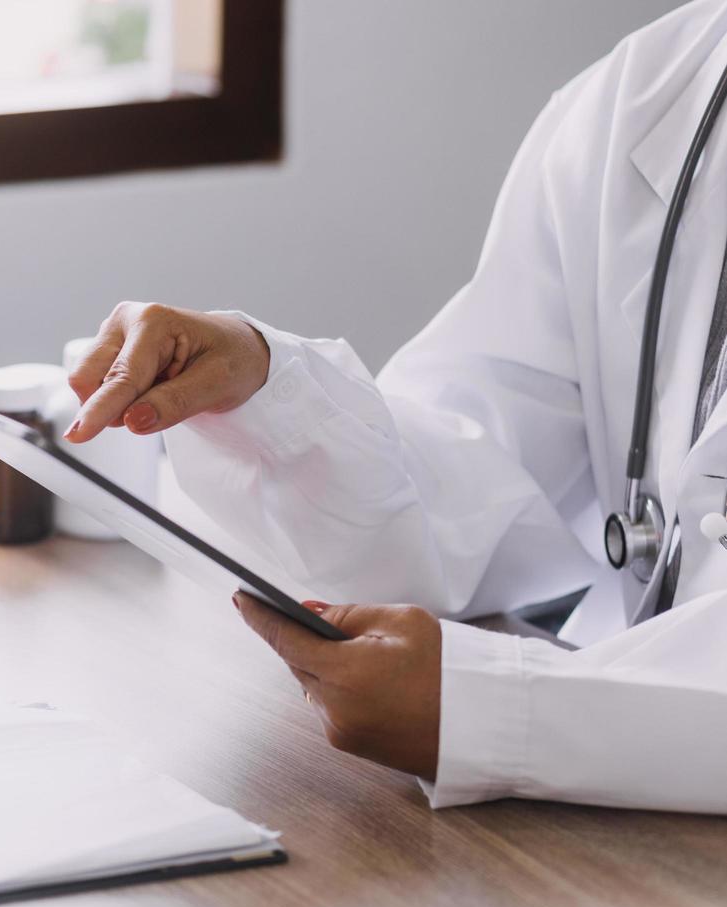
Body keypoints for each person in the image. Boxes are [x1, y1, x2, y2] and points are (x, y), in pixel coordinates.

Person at [65, 0, 727, 813]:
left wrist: (504, 716)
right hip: (615, 859)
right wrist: (272, 390)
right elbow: (482, 475)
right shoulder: (644, 94)